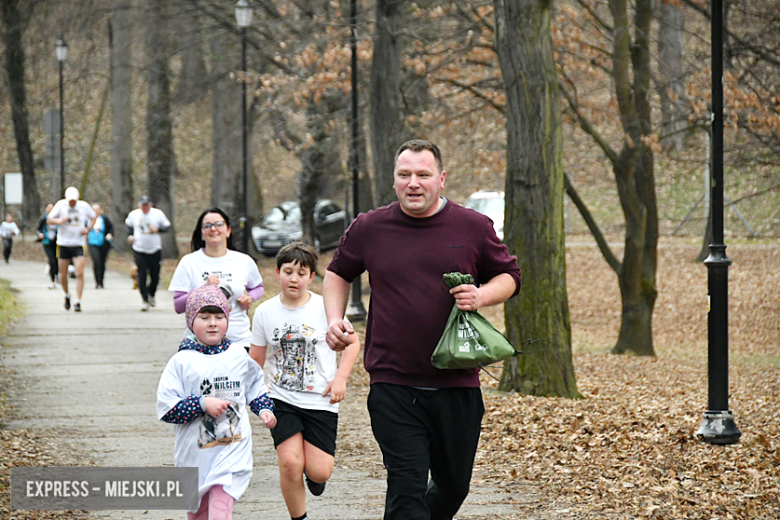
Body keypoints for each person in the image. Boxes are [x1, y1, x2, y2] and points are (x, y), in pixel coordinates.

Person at [323, 139, 522, 520]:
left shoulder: (473, 226)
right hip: (393, 382)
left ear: (441, 179)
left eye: (423, 175)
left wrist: (481, 295)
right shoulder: (370, 227)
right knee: (406, 484)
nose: (413, 183)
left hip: (457, 382)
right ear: (394, 181)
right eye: (405, 175)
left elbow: (509, 276)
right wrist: (335, 319)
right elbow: (337, 274)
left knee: (453, 486)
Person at [249, 242, 360, 520]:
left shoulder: (326, 308)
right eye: (288, 272)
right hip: (281, 398)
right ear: (277, 273)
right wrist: (256, 388)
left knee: (319, 470)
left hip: (321, 399)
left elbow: (353, 342)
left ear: (311, 277)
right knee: (289, 462)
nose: (294, 279)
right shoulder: (265, 312)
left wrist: (340, 379)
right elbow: (255, 360)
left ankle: (315, 477)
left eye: (301, 273)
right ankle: (300, 518)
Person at [157, 284, 277, 520]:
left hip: (232, 450)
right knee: (198, 513)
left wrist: (263, 408)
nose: (213, 322)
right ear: (191, 322)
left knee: (221, 511)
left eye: (219, 316)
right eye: (204, 317)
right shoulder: (181, 362)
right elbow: (167, 408)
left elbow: (254, 385)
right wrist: (202, 404)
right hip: (195, 456)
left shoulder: (237, 355)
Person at [169, 208, 263, 349]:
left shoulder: (243, 261)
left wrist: (249, 298)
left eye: (219, 224)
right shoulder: (189, 262)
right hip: (199, 343)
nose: (213, 229)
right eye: (207, 225)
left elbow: (258, 287)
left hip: (238, 341)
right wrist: (203, 291)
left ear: (228, 230)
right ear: (201, 233)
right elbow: (178, 306)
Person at [48, 187, 96, 312]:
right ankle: (67, 294)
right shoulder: (60, 205)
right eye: (70, 201)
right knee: (63, 275)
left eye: (74, 201)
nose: (72, 203)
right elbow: (50, 219)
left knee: (79, 272)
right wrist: (59, 220)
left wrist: (88, 229)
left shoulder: (84, 206)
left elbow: (93, 217)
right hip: (63, 243)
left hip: (78, 243)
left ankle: (78, 301)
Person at [126, 195, 171, 311]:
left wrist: (158, 229)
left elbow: (167, 227)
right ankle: (144, 300)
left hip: (154, 249)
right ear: (139, 205)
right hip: (139, 249)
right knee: (141, 274)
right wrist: (130, 236)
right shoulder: (134, 214)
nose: (144, 208)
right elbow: (128, 226)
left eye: (146, 205)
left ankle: (151, 294)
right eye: (142, 205)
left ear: (150, 205)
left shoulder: (158, 214)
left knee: (155, 275)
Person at [87, 204, 114, 289]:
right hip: (92, 242)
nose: (96, 211)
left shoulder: (105, 219)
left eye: (97, 209)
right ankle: (97, 281)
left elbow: (111, 228)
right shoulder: (87, 219)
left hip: (103, 243)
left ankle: (101, 281)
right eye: (94, 210)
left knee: (102, 262)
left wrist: (110, 235)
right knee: (96, 260)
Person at [37, 204, 59, 288]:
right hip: (47, 241)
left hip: (56, 241)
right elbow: (37, 228)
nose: (51, 210)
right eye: (49, 208)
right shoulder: (43, 218)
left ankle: (56, 274)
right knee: (51, 259)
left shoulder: (58, 218)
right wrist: (40, 234)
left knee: (56, 259)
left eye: (52, 208)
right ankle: (52, 279)